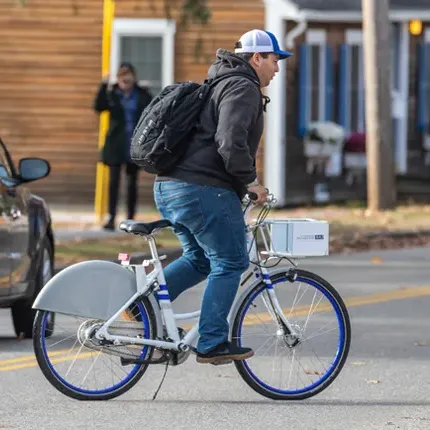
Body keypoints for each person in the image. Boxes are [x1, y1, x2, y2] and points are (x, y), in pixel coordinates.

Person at [152, 30, 293, 365]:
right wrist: (251, 182)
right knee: (231, 261)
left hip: (171, 186)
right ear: (256, 57)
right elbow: (230, 142)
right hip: (201, 189)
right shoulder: (242, 86)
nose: (277, 68)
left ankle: (139, 307)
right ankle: (212, 342)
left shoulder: (219, 81)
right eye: (275, 60)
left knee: (201, 260)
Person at [94, 62, 153, 230]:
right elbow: (99, 106)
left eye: (128, 76)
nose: (125, 80)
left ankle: (130, 218)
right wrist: (103, 85)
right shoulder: (112, 94)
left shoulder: (140, 94)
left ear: (134, 78)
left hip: (134, 143)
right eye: (122, 77)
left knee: (132, 182)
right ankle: (111, 217)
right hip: (116, 145)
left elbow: (152, 108)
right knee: (113, 182)